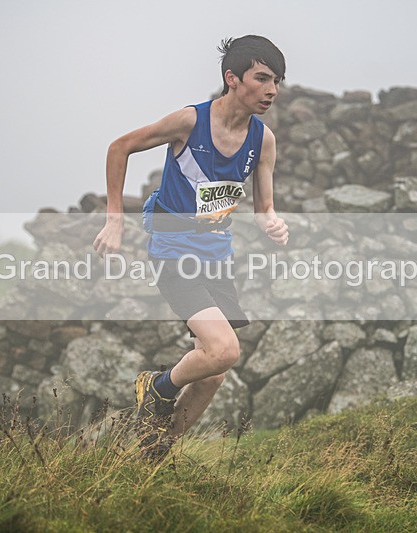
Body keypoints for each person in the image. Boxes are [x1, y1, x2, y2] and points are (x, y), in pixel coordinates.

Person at [93, 35, 288, 460]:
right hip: (173, 251)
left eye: (278, 81)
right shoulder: (189, 122)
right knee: (224, 351)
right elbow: (119, 147)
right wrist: (114, 219)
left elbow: (265, 206)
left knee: (214, 371)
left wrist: (272, 221)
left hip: (217, 257)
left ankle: (153, 454)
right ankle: (157, 386)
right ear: (232, 79)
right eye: (263, 78)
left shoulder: (263, 140)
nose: (272, 89)